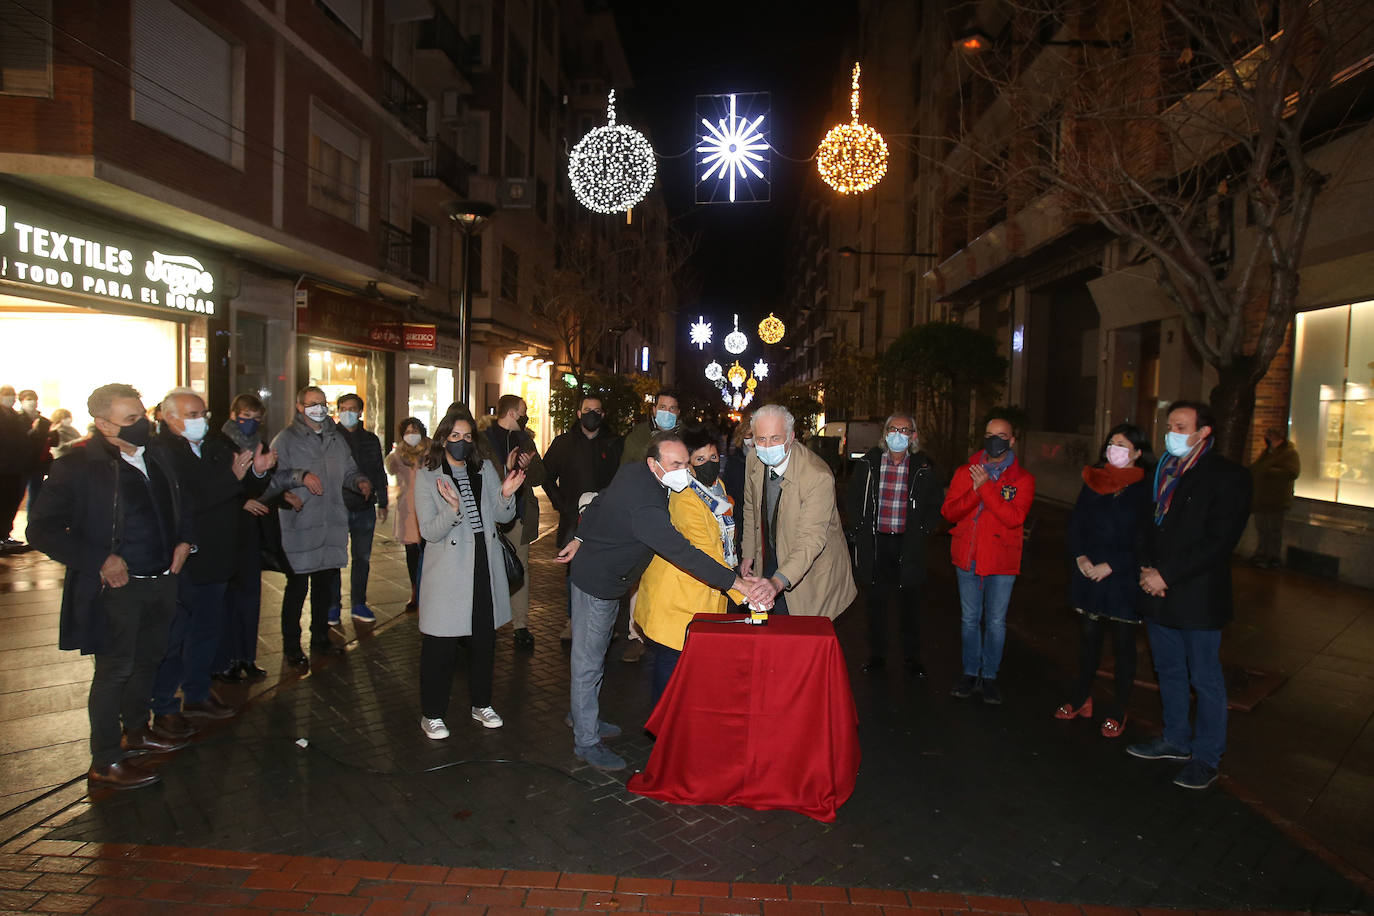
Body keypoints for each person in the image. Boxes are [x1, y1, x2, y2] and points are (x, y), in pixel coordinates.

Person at [557, 431, 775, 771]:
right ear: (653, 464)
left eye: (687, 463)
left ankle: (582, 715)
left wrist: (580, 537)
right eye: (676, 464)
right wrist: (739, 585)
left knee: (596, 654)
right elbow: (685, 554)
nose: (684, 471)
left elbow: (599, 500)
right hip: (596, 582)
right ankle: (585, 741)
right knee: (587, 662)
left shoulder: (636, 473)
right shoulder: (646, 505)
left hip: (614, 578)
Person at [26, 383, 194, 789]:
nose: (143, 426)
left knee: (149, 658)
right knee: (115, 670)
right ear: (102, 424)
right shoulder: (78, 466)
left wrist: (186, 541)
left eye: (143, 416)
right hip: (116, 587)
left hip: (161, 579)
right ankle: (105, 758)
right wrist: (99, 559)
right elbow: (42, 530)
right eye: (131, 420)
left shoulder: (158, 455)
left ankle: (135, 732)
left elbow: (182, 503)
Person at [1129, 401, 1251, 790]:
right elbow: (1148, 526)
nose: (1172, 433)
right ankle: (1175, 738)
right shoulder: (1162, 471)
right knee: (1168, 670)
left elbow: (1219, 541)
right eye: (1169, 425)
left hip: (1196, 595)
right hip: (1157, 591)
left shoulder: (1228, 476)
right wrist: (1148, 571)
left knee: (1205, 678)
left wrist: (1168, 574)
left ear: (1204, 432)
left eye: (1181, 426)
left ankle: (1206, 756)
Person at [149, 388, 273, 736]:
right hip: (186, 557)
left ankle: (198, 694)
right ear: (168, 417)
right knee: (175, 637)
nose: (199, 421)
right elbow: (191, 500)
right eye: (190, 415)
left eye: (202, 413)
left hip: (218, 554)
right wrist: (232, 479)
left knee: (206, 630)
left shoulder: (214, 446)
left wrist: (258, 472)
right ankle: (163, 706)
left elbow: (238, 486)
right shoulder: (162, 453)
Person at [414, 411, 524, 738]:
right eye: (455, 436)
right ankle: (431, 713)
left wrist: (506, 493)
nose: (462, 442)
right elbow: (430, 532)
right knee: (440, 649)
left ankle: (481, 704)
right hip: (448, 573)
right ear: (443, 438)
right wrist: (451, 509)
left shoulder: (484, 469)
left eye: (467, 436)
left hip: (483, 569)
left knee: (483, 643)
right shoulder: (427, 475)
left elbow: (503, 516)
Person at [633, 425, 743, 704]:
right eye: (700, 460)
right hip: (678, 599)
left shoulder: (716, 488)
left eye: (714, 457)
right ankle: (663, 734)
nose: (710, 465)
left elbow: (724, 538)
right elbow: (705, 553)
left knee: (691, 673)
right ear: (688, 466)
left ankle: (681, 729)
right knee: (671, 668)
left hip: (702, 594)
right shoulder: (685, 497)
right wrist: (744, 591)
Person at [1054, 424, 1151, 737]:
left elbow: (1145, 538)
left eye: (1122, 444)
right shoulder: (1094, 480)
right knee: (1087, 642)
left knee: (1123, 647)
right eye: (1111, 442)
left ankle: (1119, 709)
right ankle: (1081, 697)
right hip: (1088, 574)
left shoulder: (1144, 489)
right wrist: (1080, 556)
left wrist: (1113, 565)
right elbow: (1077, 522)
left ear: (1137, 452)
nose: (1115, 449)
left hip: (1121, 578)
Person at [271, 386, 372, 668]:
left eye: (322, 403)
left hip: (330, 524)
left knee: (324, 587)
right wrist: (299, 477)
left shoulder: (335, 438)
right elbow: (271, 477)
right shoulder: (286, 440)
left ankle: (320, 638)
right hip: (302, 524)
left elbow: (349, 469)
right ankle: (292, 645)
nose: (318, 408)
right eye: (312, 404)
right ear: (300, 406)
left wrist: (359, 481)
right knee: (297, 588)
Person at [941, 416, 1036, 705]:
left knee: (995, 621)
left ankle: (990, 675)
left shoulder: (1023, 480)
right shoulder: (964, 472)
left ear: (1012, 440)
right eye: (989, 434)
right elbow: (949, 512)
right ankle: (970, 672)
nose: (995, 440)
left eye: (1001, 435)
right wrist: (975, 490)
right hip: (967, 557)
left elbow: (1013, 518)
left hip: (1001, 561)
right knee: (970, 619)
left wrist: (986, 489)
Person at [846, 412, 943, 677]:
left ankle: (912, 659)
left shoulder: (923, 467)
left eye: (905, 430)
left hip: (908, 546)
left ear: (913, 436)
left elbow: (936, 503)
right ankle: (877, 656)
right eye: (893, 429)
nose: (898, 435)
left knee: (909, 606)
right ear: (885, 433)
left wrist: (924, 529)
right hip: (877, 544)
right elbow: (853, 498)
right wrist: (859, 528)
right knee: (876, 605)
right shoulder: (869, 464)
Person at [740, 404, 857, 619]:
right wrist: (748, 552)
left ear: (791, 437)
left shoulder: (817, 476)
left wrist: (777, 582)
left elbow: (811, 540)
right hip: (770, 554)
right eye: (761, 439)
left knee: (802, 639)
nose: (767, 446)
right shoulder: (753, 460)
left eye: (775, 438)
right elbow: (751, 508)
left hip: (810, 571)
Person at [216, 393, 290, 681]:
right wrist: (239, 501)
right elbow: (209, 490)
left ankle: (246, 657)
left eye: (256, 418)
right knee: (226, 601)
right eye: (246, 416)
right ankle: (225, 660)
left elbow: (260, 486)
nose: (251, 422)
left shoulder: (259, 444)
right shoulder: (219, 444)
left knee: (249, 598)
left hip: (249, 533)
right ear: (234, 414)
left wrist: (261, 473)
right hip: (224, 532)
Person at [543, 395, 623, 641]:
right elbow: (545, 476)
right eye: (587, 409)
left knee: (607, 571)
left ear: (603, 414)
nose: (592, 414)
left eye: (597, 410)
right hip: (572, 520)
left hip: (607, 520)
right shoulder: (563, 443)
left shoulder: (614, 444)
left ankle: (606, 622)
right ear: (578, 413)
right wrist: (562, 504)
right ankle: (572, 620)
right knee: (573, 572)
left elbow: (623, 479)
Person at [483, 394, 546, 649]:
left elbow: (542, 475)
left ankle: (520, 625)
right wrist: (506, 469)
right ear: (511, 413)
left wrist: (528, 467)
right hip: (489, 517)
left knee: (519, 570)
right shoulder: (482, 440)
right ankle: (486, 622)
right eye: (523, 411)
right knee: (486, 570)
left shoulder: (526, 440)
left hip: (519, 515)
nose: (526, 415)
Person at [330, 392, 387, 625]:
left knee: (362, 557)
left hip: (364, 507)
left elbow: (378, 471)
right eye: (343, 408)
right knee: (335, 557)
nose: (347, 413)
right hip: (337, 505)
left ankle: (358, 603)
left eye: (352, 408)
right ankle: (332, 605)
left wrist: (382, 501)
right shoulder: (331, 437)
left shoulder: (370, 439)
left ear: (360, 412)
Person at [385, 417, 429, 613]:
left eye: (416, 429)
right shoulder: (397, 455)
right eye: (408, 430)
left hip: (427, 505)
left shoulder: (430, 451)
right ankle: (415, 591)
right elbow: (390, 470)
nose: (412, 433)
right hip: (407, 508)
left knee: (429, 551)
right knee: (412, 552)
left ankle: (428, 589)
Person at [1249, 427, 1300, 569]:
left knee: (1274, 530)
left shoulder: (1289, 453)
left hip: (1276, 499)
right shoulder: (1267, 453)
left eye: (1270, 436)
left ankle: (1273, 556)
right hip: (1262, 498)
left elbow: (1292, 472)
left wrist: (1268, 471)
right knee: (1262, 528)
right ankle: (1261, 553)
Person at [0, 385, 31, 552]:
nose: (11, 398)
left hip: (15, 466)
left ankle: (5, 534)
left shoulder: (15, 415)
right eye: (7, 395)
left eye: (13, 395)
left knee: (11, 502)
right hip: (3, 467)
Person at [620, 390, 682, 467]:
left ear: (678, 412)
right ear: (654, 410)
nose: (667, 412)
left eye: (672, 408)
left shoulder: (687, 437)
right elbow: (625, 470)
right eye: (663, 407)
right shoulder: (637, 437)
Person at [17, 390, 53, 510]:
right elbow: (19, 439)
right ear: (21, 401)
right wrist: (34, 430)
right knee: (17, 494)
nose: (32, 402)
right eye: (28, 399)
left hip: (39, 462)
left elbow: (51, 441)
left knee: (36, 494)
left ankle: (32, 523)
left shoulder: (44, 421)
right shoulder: (16, 419)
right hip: (22, 462)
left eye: (34, 399)